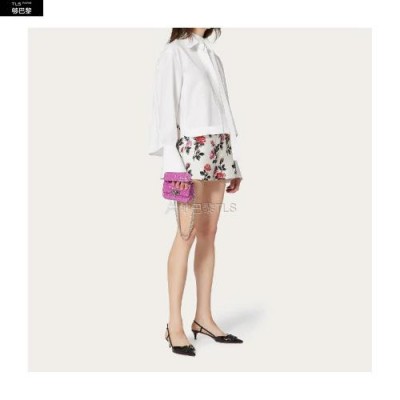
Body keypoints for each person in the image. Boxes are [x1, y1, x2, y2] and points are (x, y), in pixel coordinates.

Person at [149, 28, 244, 356]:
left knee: (209, 233)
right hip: (190, 150)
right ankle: (174, 324)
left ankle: (203, 317)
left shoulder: (212, 57)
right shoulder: (174, 53)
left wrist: (232, 163)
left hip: (219, 148)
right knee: (185, 234)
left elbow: (222, 113)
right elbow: (166, 116)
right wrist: (174, 167)